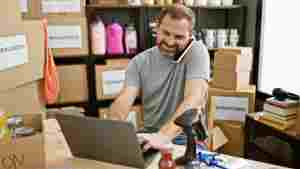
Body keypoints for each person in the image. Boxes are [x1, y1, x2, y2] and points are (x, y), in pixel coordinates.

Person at [109, 4, 210, 150]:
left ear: (190, 36)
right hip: (149, 135)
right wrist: (113, 127)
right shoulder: (139, 61)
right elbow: (125, 98)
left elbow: (194, 99)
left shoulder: (196, 52)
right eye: (166, 33)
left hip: (185, 138)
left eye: (179, 37)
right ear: (157, 28)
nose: (170, 42)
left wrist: (162, 136)